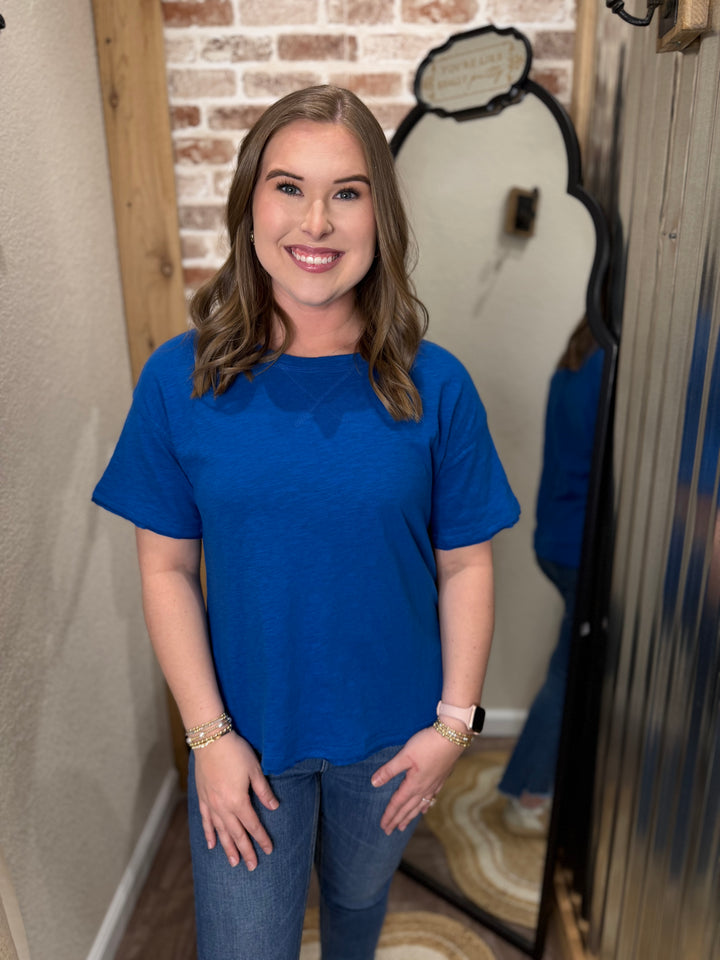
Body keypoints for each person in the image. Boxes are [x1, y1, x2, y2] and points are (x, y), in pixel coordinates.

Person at [93, 85, 520, 960]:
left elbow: (466, 564)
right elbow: (166, 571)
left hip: (395, 736)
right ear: (249, 204)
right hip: (247, 736)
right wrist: (208, 740)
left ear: (380, 216)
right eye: (288, 187)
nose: (316, 222)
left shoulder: (436, 385)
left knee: (358, 909)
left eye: (347, 192)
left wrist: (454, 727)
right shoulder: (181, 380)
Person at [498, 317, 603, 837]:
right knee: (572, 672)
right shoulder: (612, 366)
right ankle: (530, 794)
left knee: (580, 667)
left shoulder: (576, 361)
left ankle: (539, 786)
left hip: (558, 536)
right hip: (585, 543)